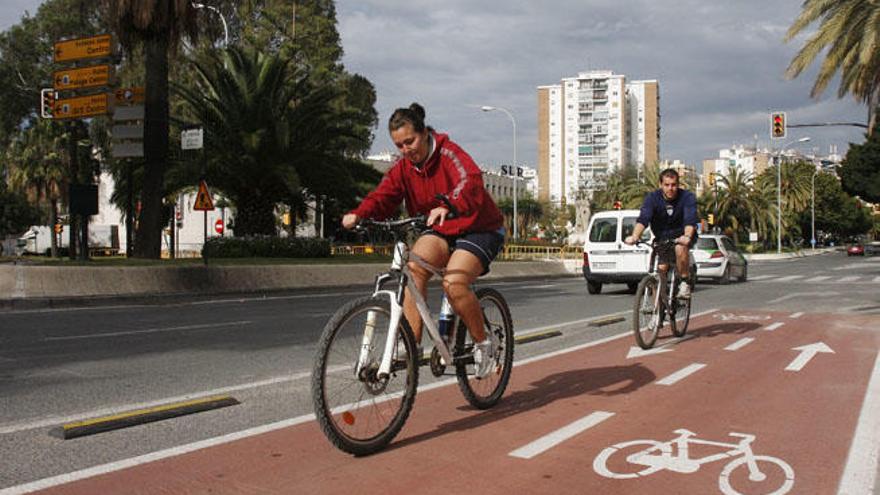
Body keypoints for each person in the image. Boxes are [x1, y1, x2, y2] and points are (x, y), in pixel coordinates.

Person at [342, 103, 505, 378]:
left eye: (410, 141)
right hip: (441, 229)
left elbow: (470, 182)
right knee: (413, 268)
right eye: (399, 145)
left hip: (479, 227)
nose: (406, 150)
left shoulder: (449, 153)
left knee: (454, 284)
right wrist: (359, 214)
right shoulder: (404, 168)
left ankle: (484, 344)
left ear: (425, 133)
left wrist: (448, 204)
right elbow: (383, 195)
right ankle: (411, 346)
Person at [624, 168, 697, 298]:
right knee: (661, 269)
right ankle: (658, 310)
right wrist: (635, 236)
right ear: (660, 185)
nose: (670, 188)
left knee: (681, 248)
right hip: (662, 237)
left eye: (674, 185)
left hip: (682, 235)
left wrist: (686, 236)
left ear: (678, 184)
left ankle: (685, 282)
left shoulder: (687, 197)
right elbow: (643, 219)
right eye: (667, 185)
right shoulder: (652, 198)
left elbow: (689, 220)